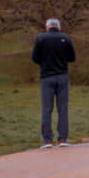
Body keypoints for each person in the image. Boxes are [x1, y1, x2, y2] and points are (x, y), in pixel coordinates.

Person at [31, 17, 76, 148]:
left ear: (47, 27)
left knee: (47, 109)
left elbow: (34, 58)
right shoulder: (66, 38)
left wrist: (45, 63)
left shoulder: (40, 38)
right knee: (63, 109)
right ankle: (63, 139)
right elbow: (72, 58)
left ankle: (47, 140)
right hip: (62, 76)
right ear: (59, 27)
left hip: (46, 77)